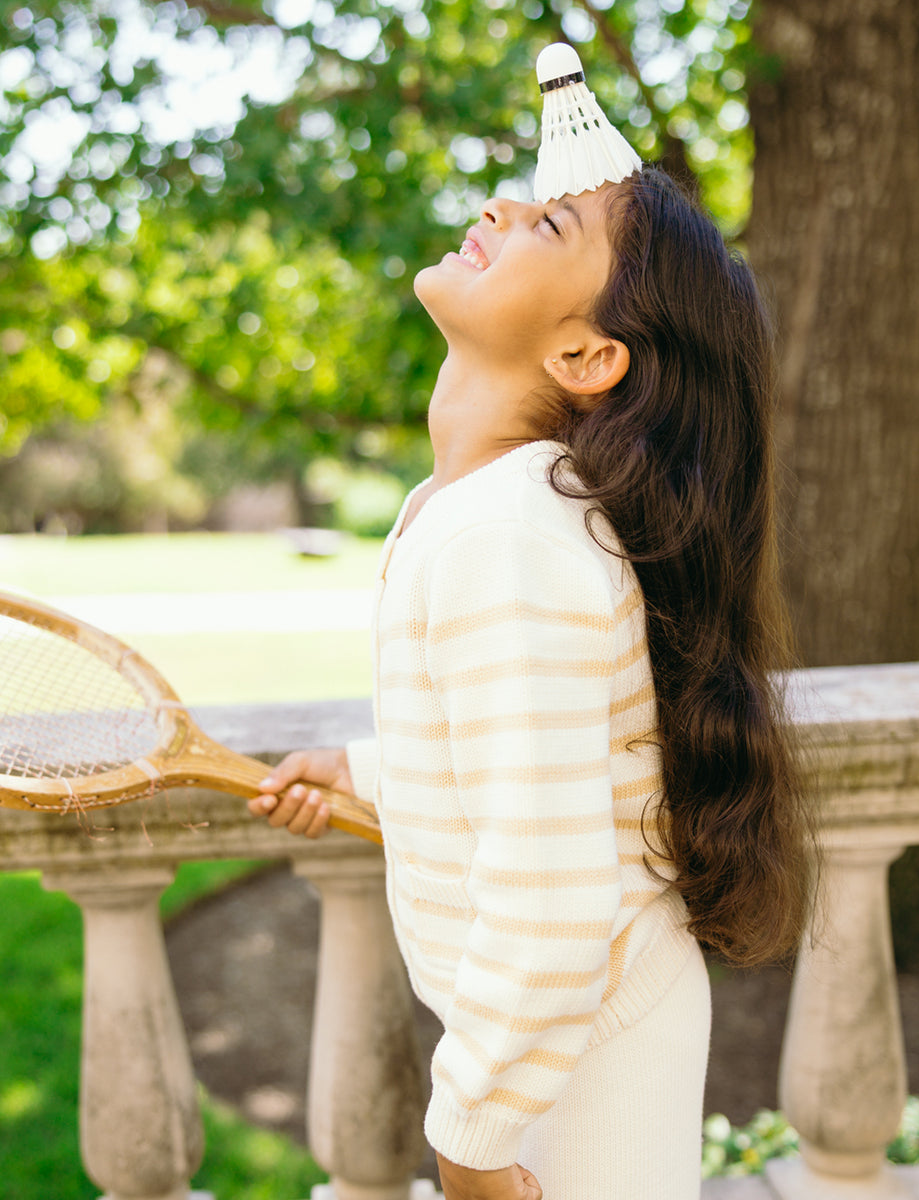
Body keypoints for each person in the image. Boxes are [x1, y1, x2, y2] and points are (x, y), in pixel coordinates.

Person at [249, 167, 814, 1200]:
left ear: (587, 355)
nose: (497, 209)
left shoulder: (504, 529)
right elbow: (544, 744)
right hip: (565, 1032)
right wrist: (369, 771)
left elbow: (551, 897)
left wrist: (470, 1142)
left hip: (582, 1043)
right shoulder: (482, 507)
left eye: (547, 221)